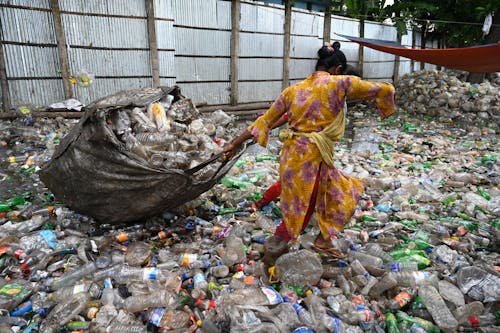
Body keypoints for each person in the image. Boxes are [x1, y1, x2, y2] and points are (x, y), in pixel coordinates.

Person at [223, 47, 396, 257]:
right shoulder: (340, 83)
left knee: (305, 202)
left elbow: (264, 122)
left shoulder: (294, 91)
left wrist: (234, 143)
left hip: (292, 157)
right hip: (311, 159)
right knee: (325, 199)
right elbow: (382, 88)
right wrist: (386, 104)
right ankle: (275, 252)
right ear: (338, 68)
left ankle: (319, 241)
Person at [252, 42, 362, 211]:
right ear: (338, 72)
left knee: (301, 180)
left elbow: (291, 115)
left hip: (315, 148)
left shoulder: (325, 94)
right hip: (309, 148)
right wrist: (267, 126)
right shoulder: (326, 94)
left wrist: (268, 125)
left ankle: (271, 208)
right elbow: (290, 115)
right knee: (300, 181)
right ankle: (283, 224)